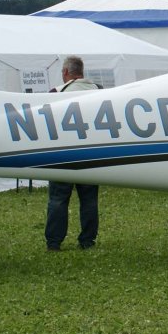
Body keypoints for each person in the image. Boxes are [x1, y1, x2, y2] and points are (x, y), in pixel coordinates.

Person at [45, 56, 102, 251]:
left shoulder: (56, 92)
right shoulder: (100, 91)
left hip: (63, 154)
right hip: (91, 153)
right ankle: (87, 240)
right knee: (89, 200)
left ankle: (54, 242)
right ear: (82, 71)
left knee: (58, 200)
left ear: (66, 73)